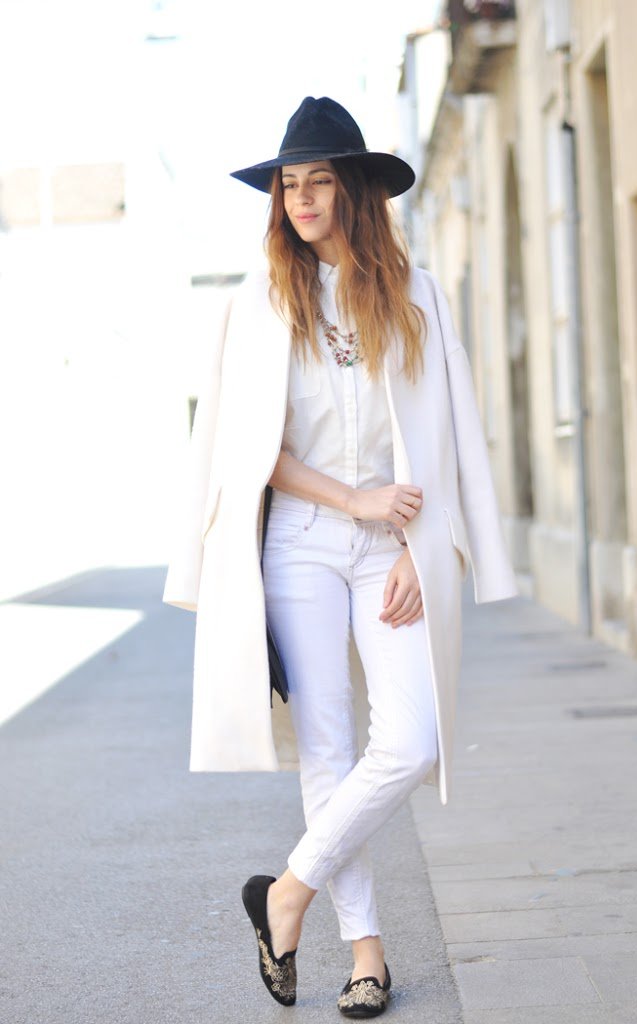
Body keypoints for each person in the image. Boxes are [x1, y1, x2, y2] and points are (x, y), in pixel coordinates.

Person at [162, 96, 518, 1018]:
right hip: (302, 542)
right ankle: (366, 958)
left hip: (391, 550)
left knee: (410, 740)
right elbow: (249, 452)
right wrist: (354, 499)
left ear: (355, 191)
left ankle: (286, 893)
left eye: (319, 181)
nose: (302, 199)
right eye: (289, 184)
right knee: (325, 749)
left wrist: (423, 543)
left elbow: (447, 435)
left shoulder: (417, 295)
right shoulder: (257, 303)